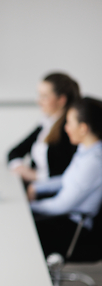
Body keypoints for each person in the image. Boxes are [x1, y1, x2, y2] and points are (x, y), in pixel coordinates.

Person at [28, 97, 102, 259]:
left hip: (74, 228)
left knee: (23, 230)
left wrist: (30, 206)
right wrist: (36, 187)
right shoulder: (86, 149)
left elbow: (62, 205)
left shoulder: (94, 161)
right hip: (65, 218)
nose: (66, 128)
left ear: (83, 128)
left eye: (69, 123)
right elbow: (65, 179)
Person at [8, 73, 80, 183]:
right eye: (39, 95)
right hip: (35, 187)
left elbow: (67, 175)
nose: (38, 101)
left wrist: (36, 176)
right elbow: (14, 152)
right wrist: (21, 169)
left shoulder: (69, 130)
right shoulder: (46, 123)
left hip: (48, 191)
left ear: (61, 100)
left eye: (44, 96)